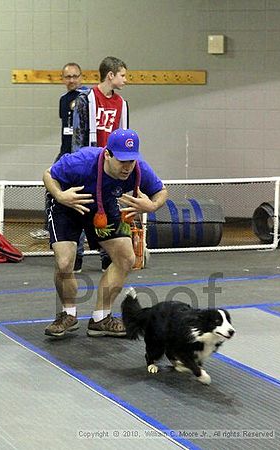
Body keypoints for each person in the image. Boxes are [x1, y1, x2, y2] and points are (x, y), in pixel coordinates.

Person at [43, 128, 168, 338]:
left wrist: (152, 205)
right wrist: (60, 195)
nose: (127, 167)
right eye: (122, 161)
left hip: (103, 207)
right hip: (68, 206)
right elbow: (48, 175)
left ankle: (101, 318)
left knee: (126, 258)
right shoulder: (82, 161)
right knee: (65, 262)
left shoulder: (139, 169)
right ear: (108, 154)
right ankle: (68, 314)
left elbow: (161, 191)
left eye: (132, 161)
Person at [72, 56, 129, 272]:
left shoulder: (122, 105)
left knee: (109, 210)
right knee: (81, 209)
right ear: (110, 75)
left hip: (110, 168)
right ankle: (76, 257)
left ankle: (108, 256)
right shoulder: (85, 100)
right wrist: (78, 167)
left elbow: (124, 137)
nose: (125, 80)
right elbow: (78, 138)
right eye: (122, 75)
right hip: (89, 164)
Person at [30, 62, 87, 272]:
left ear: (81, 77)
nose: (71, 80)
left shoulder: (87, 98)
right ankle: (67, 248)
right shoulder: (64, 100)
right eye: (67, 77)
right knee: (57, 197)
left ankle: (93, 255)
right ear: (62, 79)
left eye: (75, 76)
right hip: (64, 154)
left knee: (84, 203)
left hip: (80, 157)